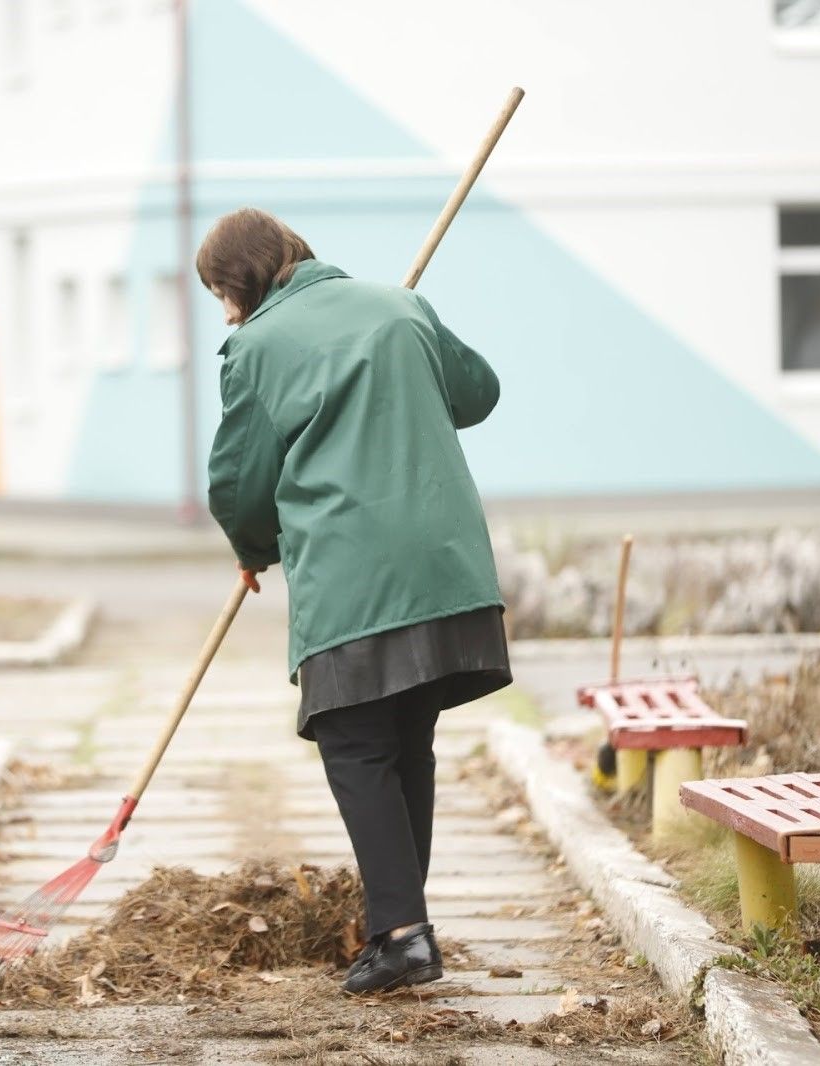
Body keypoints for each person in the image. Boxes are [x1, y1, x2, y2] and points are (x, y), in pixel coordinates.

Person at [198, 207, 512, 994]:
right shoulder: (397, 306)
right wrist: (406, 337)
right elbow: (477, 393)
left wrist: (251, 550)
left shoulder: (257, 347)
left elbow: (239, 482)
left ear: (237, 286)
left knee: (356, 743)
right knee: (405, 741)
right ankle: (404, 926)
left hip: (354, 577)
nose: (226, 314)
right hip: (446, 568)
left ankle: (403, 936)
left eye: (220, 297)